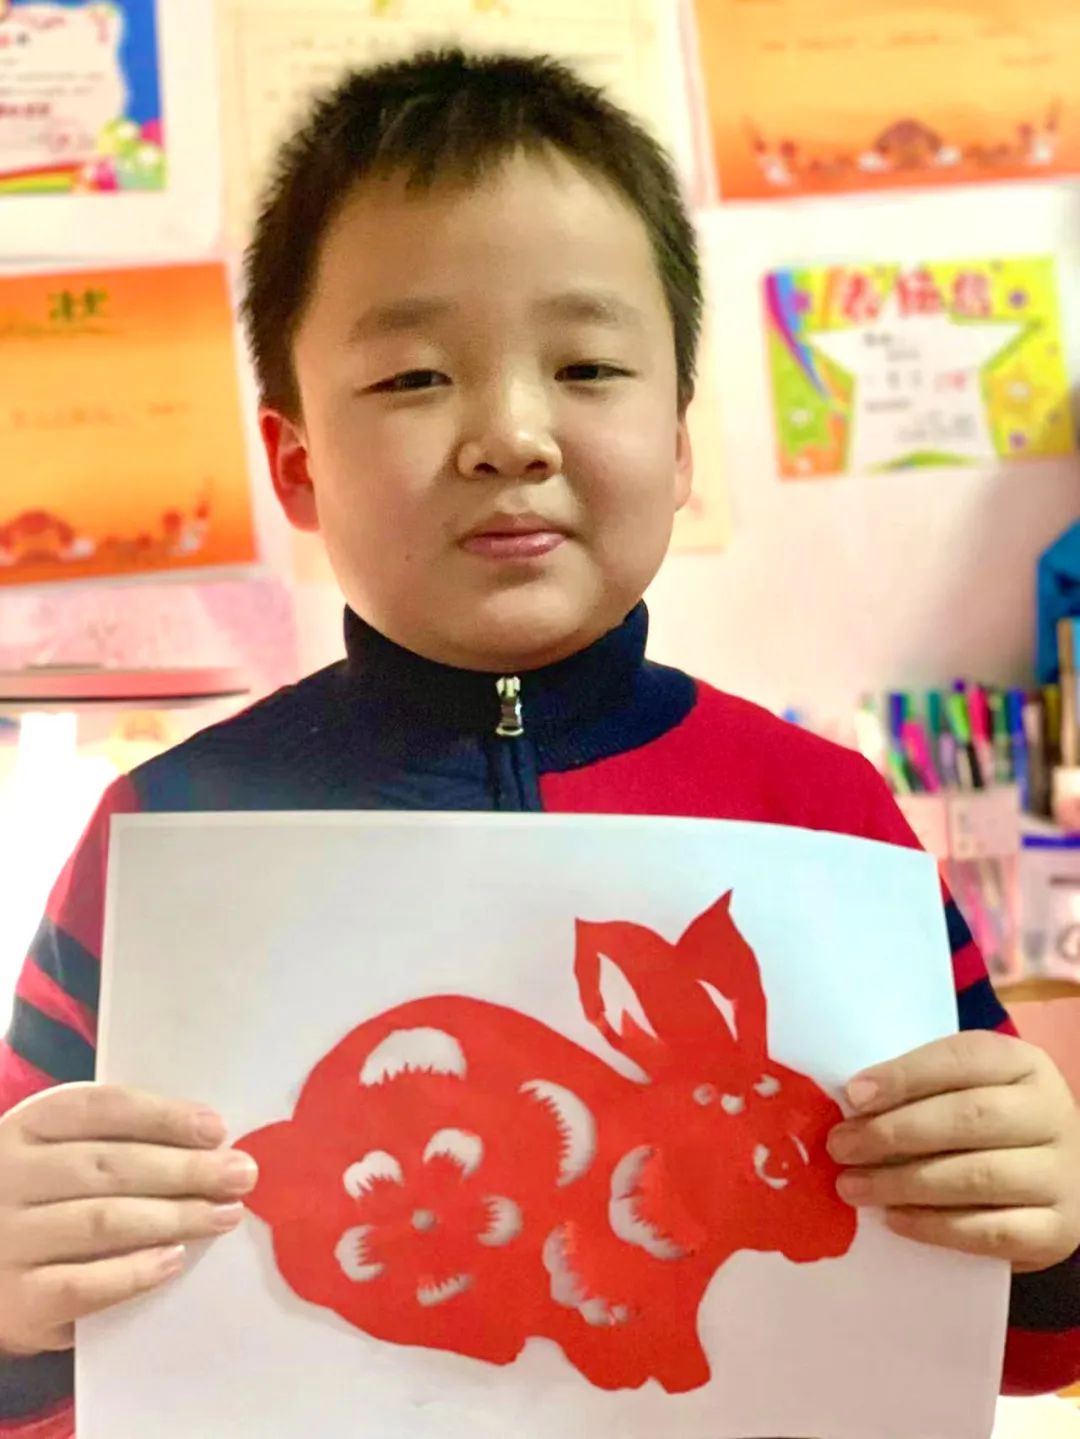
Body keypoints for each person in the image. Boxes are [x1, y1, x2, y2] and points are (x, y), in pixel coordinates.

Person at [1, 49, 1077, 1436]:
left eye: (586, 365)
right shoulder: (168, 832)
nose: (510, 434)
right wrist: (16, 1298)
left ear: (678, 446)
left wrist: (1049, 1219)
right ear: (298, 465)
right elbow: (53, 1361)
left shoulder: (824, 819)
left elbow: (1012, 1340)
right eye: (413, 376)